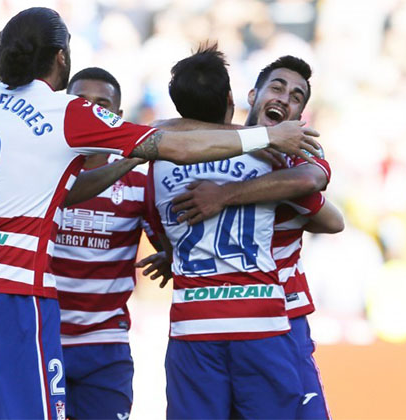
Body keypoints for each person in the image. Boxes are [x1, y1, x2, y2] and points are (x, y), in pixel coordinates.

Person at [0, 7, 320, 418]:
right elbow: (177, 147)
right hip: (17, 286)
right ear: (61, 59)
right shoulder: (67, 114)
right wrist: (265, 137)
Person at [143, 47, 341, 419]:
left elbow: (329, 214)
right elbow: (331, 217)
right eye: (277, 88)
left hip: (282, 312)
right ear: (249, 96)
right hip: (260, 318)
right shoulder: (271, 155)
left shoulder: (285, 155)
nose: (284, 98)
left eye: (295, 97)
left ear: (300, 115)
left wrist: (224, 197)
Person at [52, 67, 162, 420]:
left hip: (104, 344)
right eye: (82, 103)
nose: (92, 112)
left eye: (102, 106)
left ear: (117, 117)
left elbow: (170, 240)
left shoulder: (139, 180)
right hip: (40, 338)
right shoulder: (41, 169)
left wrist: (171, 252)